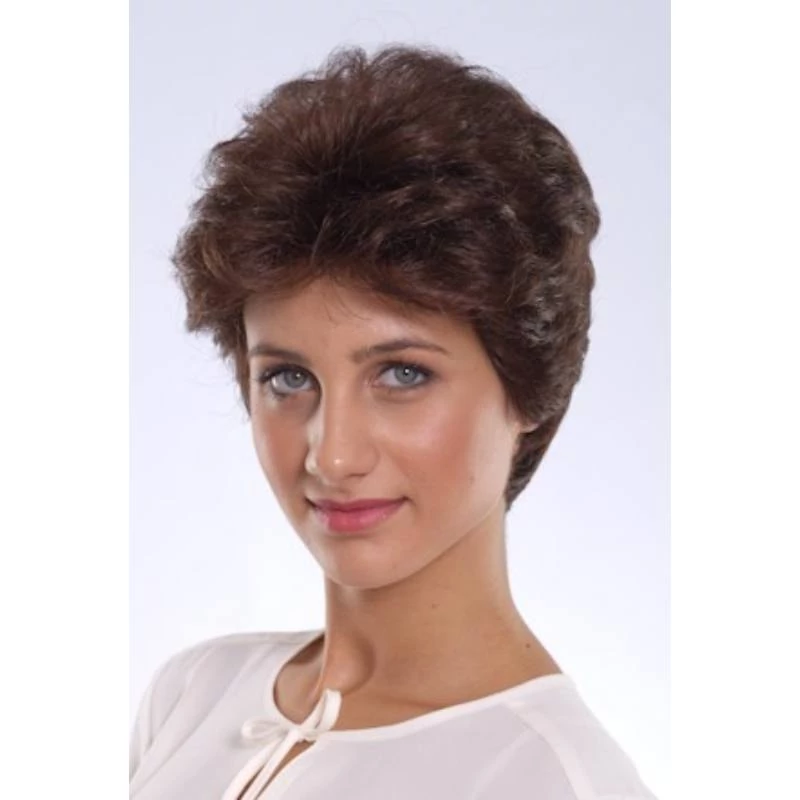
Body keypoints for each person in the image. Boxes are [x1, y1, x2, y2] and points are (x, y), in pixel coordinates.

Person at [130, 43, 657, 800]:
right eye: (288, 378)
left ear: (527, 389)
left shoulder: (549, 779)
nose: (332, 456)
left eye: (403, 374)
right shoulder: (194, 695)